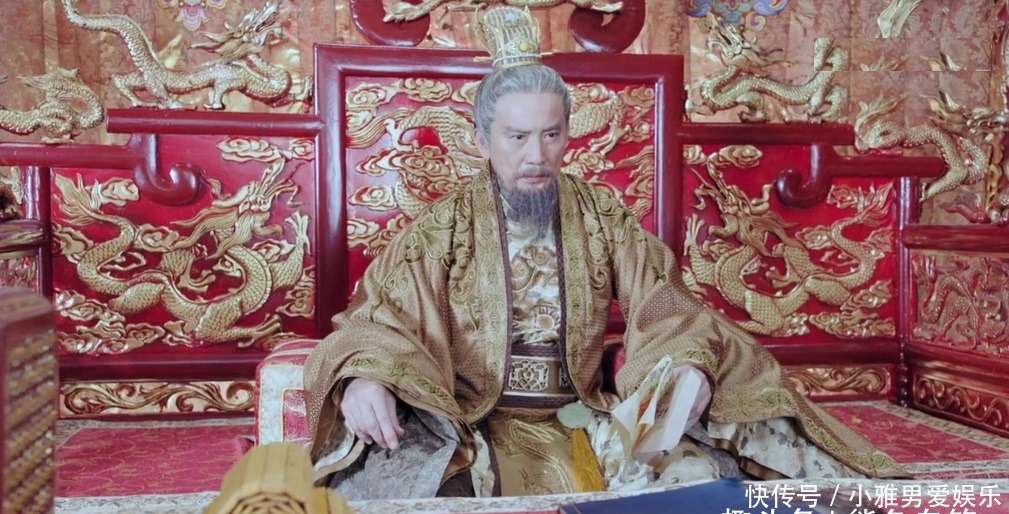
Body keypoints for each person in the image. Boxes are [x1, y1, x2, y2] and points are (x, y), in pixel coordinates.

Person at [304, 6, 907, 500]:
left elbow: (664, 303)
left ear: (569, 133)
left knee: (696, 478)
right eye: (517, 137)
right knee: (403, 488)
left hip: (587, 414)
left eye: (551, 134)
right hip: (474, 419)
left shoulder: (601, 216)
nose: (536, 155)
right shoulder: (442, 228)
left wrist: (686, 364)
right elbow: (377, 319)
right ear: (482, 139)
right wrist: (365, 377)